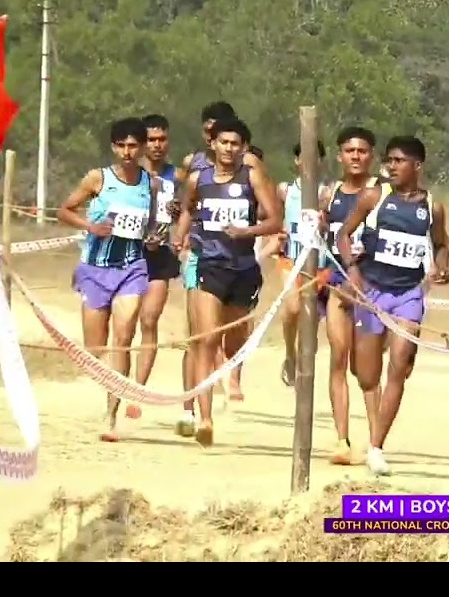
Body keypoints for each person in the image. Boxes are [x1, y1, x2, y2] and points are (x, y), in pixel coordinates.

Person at [337, 135, 449, 475]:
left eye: (398, 161)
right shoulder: (374, 197)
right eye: (388, 160)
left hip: (408, 294)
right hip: (371, 292)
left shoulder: (432, 207)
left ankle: (376, 446)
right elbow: (344, 234)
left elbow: (443, 244)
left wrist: (443, 265)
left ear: (417, 166)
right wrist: (353, 269)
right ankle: (372, 433)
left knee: (400, 364)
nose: (391, 166)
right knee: (366, 374)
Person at [173, 117, 282, 447]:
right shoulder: (197, 179)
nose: (229, 149)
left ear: (243, 148)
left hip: (244, 268)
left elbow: (275, 218)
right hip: (209, 264)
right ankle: (204, 419)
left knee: (232, 344)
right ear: (213, 145)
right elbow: (189, 210)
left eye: (236, 144)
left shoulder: (252, 177)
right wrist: (181, 236)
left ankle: (229, 382)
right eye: (224, 143)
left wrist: (247, 231)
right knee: (206, 341)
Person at [56, 118, 161, 443]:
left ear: (142, 148)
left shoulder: (152, 184)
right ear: (114, 147)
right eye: (122, 146)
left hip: (132, 266)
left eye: (133, 146)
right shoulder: (97, 178)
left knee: (124, 336)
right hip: (96, 268)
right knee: (94, 350)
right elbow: (65, 210)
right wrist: (90, 227)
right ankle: (107, 382)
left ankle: (112, 415)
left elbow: (163, 216)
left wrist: (158, 235)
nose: (128, 152)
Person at [118, 114, 188, 424]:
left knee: (149, 318)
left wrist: (181, 220)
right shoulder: (133, 174)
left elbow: (190, 209)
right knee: (126, 322)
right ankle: (118, 382)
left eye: (163, 139)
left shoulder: (179, 176)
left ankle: (137, 390)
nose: (158, 145)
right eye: (153, 140)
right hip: (129, 252)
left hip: (161, 255)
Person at [314, 127, 379, 465]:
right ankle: (342, 440)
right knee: (338, 356)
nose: (356, 156)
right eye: (349, 151)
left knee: (365, 369)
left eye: (362, 151)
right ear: (340, 155)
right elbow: (319, 235)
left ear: (371, 155)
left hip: (371, 286)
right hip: (337, 282)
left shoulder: (381, 194)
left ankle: (375, 444)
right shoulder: (330, 193)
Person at [261, 141, 333, 387]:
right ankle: (290, 354)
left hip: (320, 265)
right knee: (292, 308)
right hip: (291, 260)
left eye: (315, 157)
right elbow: (274, 218)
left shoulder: (329, 192)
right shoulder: (285, 190)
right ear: (296, 160)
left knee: (311, 320)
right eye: (304, 157)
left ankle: (304, 373)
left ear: (322, 161)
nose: (309, 162)